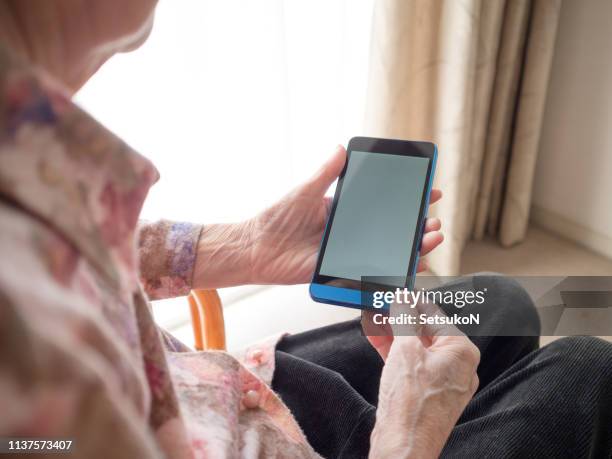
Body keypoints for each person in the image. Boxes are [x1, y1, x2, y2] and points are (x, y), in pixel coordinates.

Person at [0, 1, 610, 458]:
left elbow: (84, 263)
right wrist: (406, 434)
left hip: (226, 388)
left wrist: (237, 247)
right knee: (587, 370)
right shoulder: (31, 359)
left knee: (498, 305)